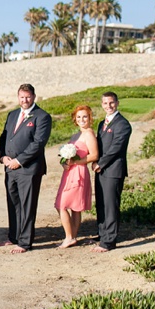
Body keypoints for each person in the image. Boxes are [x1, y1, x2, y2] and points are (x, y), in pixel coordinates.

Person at [0, 84, 52, 254]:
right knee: (13, 203)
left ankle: (25, 242)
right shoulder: (12, 114)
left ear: (34, 96)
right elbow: (4, 137)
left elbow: (38, 143)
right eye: (22, 97)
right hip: (10, 168)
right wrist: (3, 156)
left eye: (28, 97)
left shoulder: (42, 116)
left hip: (28, 169)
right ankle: (14, 236)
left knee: (27, 205)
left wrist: (19, 161)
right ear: (18, 97)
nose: (25, 100)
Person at [91, 92, 132, 253]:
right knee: (101, 203)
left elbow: (116, 148)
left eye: (111, 103)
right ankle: (102, 234)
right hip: (100, 169)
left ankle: (109, 241)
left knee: (110, 206)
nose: (108, 106)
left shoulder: (123, 124)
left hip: (113, 170)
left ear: (117, 103)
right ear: (102, 104)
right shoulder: (102, 123)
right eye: (105, 103)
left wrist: (100, 163)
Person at [54, 105, 98, 249]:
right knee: (73, 207)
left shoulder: (89, 134)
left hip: (79, 172)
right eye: (78, 117)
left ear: (90, 118)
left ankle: (69, 237)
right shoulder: (75, 135)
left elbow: (94, 155)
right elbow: (67, 156)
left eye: (85, 116)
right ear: (75, 119)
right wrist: (65, 163)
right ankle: (72, 236)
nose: (82, 119)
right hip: (69, 172)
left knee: (62, 205)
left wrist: (76, 162)